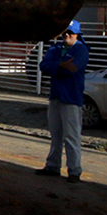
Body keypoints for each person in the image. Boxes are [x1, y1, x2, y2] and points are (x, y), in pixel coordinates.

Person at [38, 20, 90, 182]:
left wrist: (56, 67)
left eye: (70, 32)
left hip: (71, 97)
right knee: (55, 134)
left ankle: (74, 170)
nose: (66, 35)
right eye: (64, 32)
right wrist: (61, 64)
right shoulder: (55, 48)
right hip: (56, 96)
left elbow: (73, 69)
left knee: (71, 136)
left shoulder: (81, 50)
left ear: (77, 34)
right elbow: (43, 66)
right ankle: (52, 166)